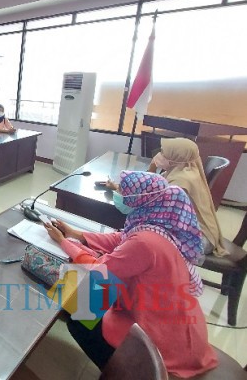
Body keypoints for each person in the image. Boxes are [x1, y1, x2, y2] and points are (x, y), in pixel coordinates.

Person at [44, 171, 218, 377]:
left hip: (164, 344)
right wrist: (76, 234)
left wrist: (64, 243)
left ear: (141, 201)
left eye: (124, 194)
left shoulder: (145, 243)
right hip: (182, 328)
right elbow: (121, 239)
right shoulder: (163, 224)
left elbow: (99, 269)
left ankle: (122, 372)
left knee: (79, 316)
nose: (120, 197)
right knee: (86, 297)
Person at [150, 138, 227, 256]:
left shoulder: (182, 181)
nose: (159, 155)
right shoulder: (179, 170)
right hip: (191, 230)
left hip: (198, 240)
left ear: (177, 157)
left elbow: (158, 208)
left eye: (164, 153)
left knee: (145, 236)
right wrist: (153, 168)